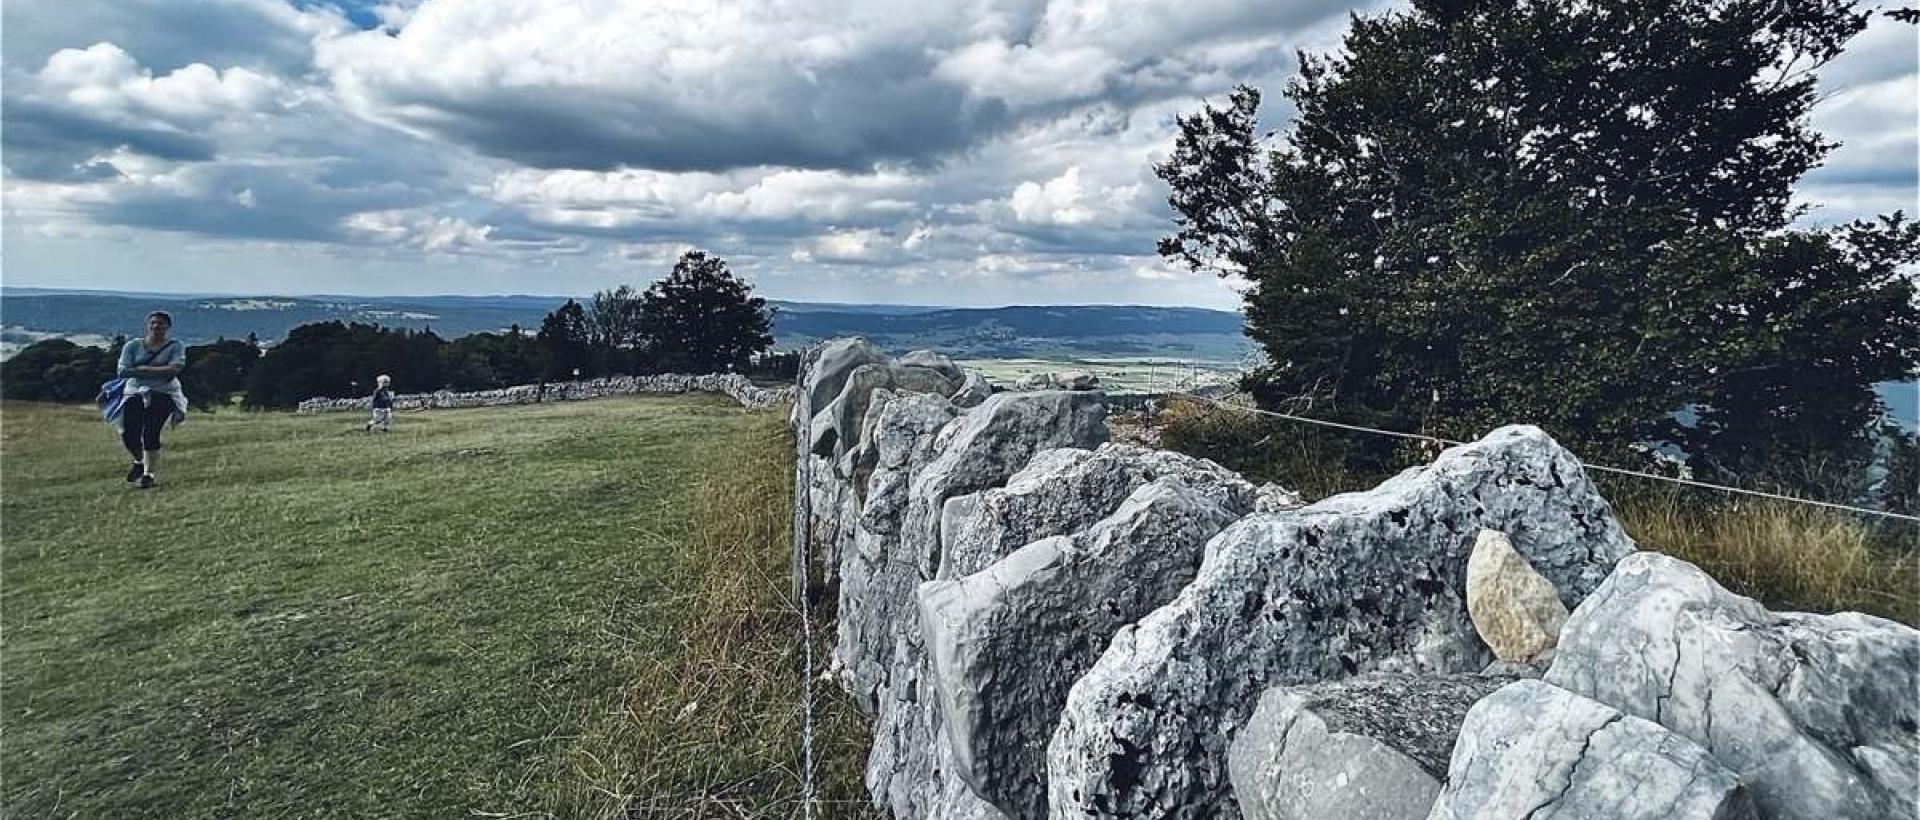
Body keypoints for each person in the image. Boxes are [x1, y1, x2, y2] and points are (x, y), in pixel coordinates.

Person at [113, 311, 188, 489]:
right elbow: (122, 371)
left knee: (151, 433)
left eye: (160, 324)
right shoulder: (132, 345)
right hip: (135, 392)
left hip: (164, 393)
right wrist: (159, 370)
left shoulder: (176, 346)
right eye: (153, 323)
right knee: (129, 432)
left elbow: (174, 370)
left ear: (168, 327)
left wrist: (141, 369)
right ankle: (139, 461)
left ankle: (149, 474)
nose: (156, 327)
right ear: (148, 325)